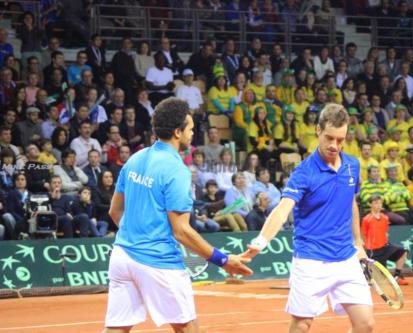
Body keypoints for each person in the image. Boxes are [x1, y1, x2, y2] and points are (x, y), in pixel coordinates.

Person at [103, 98, 252, 333]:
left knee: (117, 329)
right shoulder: (177, 170)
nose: (193, 134)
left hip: (122, 255)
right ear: (177, 132)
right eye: (190, 129)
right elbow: (181, 231)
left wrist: (137, 235)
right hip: (157, 260)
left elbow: (114, 211)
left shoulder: (135, 159)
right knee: (187, 327)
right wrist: (223, 260)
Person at [243, 104, 374, 333]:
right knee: (302, 325)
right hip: (311, 259)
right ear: (318, 130)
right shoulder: (303, 173)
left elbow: (351, 204)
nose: (334, 145)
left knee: (365, 325)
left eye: (340, 140)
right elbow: (283, 209)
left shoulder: (352, 165)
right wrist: (261, 241)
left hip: (345, 257)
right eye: (329, 138)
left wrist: (358, 244)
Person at [361, 195, 409, 285]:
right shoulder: (366, 219)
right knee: (380, 281)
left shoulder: (385, 218)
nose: (378, 205)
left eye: (380, 203)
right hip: (373, 251)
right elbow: (364, 235)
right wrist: (367, 249)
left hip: (385, 246)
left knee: (403, 252)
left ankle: (397, 276)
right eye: (375, 203)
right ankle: (368, 277)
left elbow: (385, 232)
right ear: (370, 205)